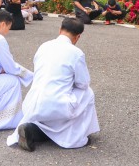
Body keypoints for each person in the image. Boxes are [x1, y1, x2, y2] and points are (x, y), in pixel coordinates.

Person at [8, 17, 99, 151]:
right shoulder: (76, 53)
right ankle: (76, 136)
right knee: (88, 93)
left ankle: (32, 130)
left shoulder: (44, 46)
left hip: (32, 104)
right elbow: (83, 83)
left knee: (51, 104)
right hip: (57, 106)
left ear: (60, 30)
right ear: (77, 37)